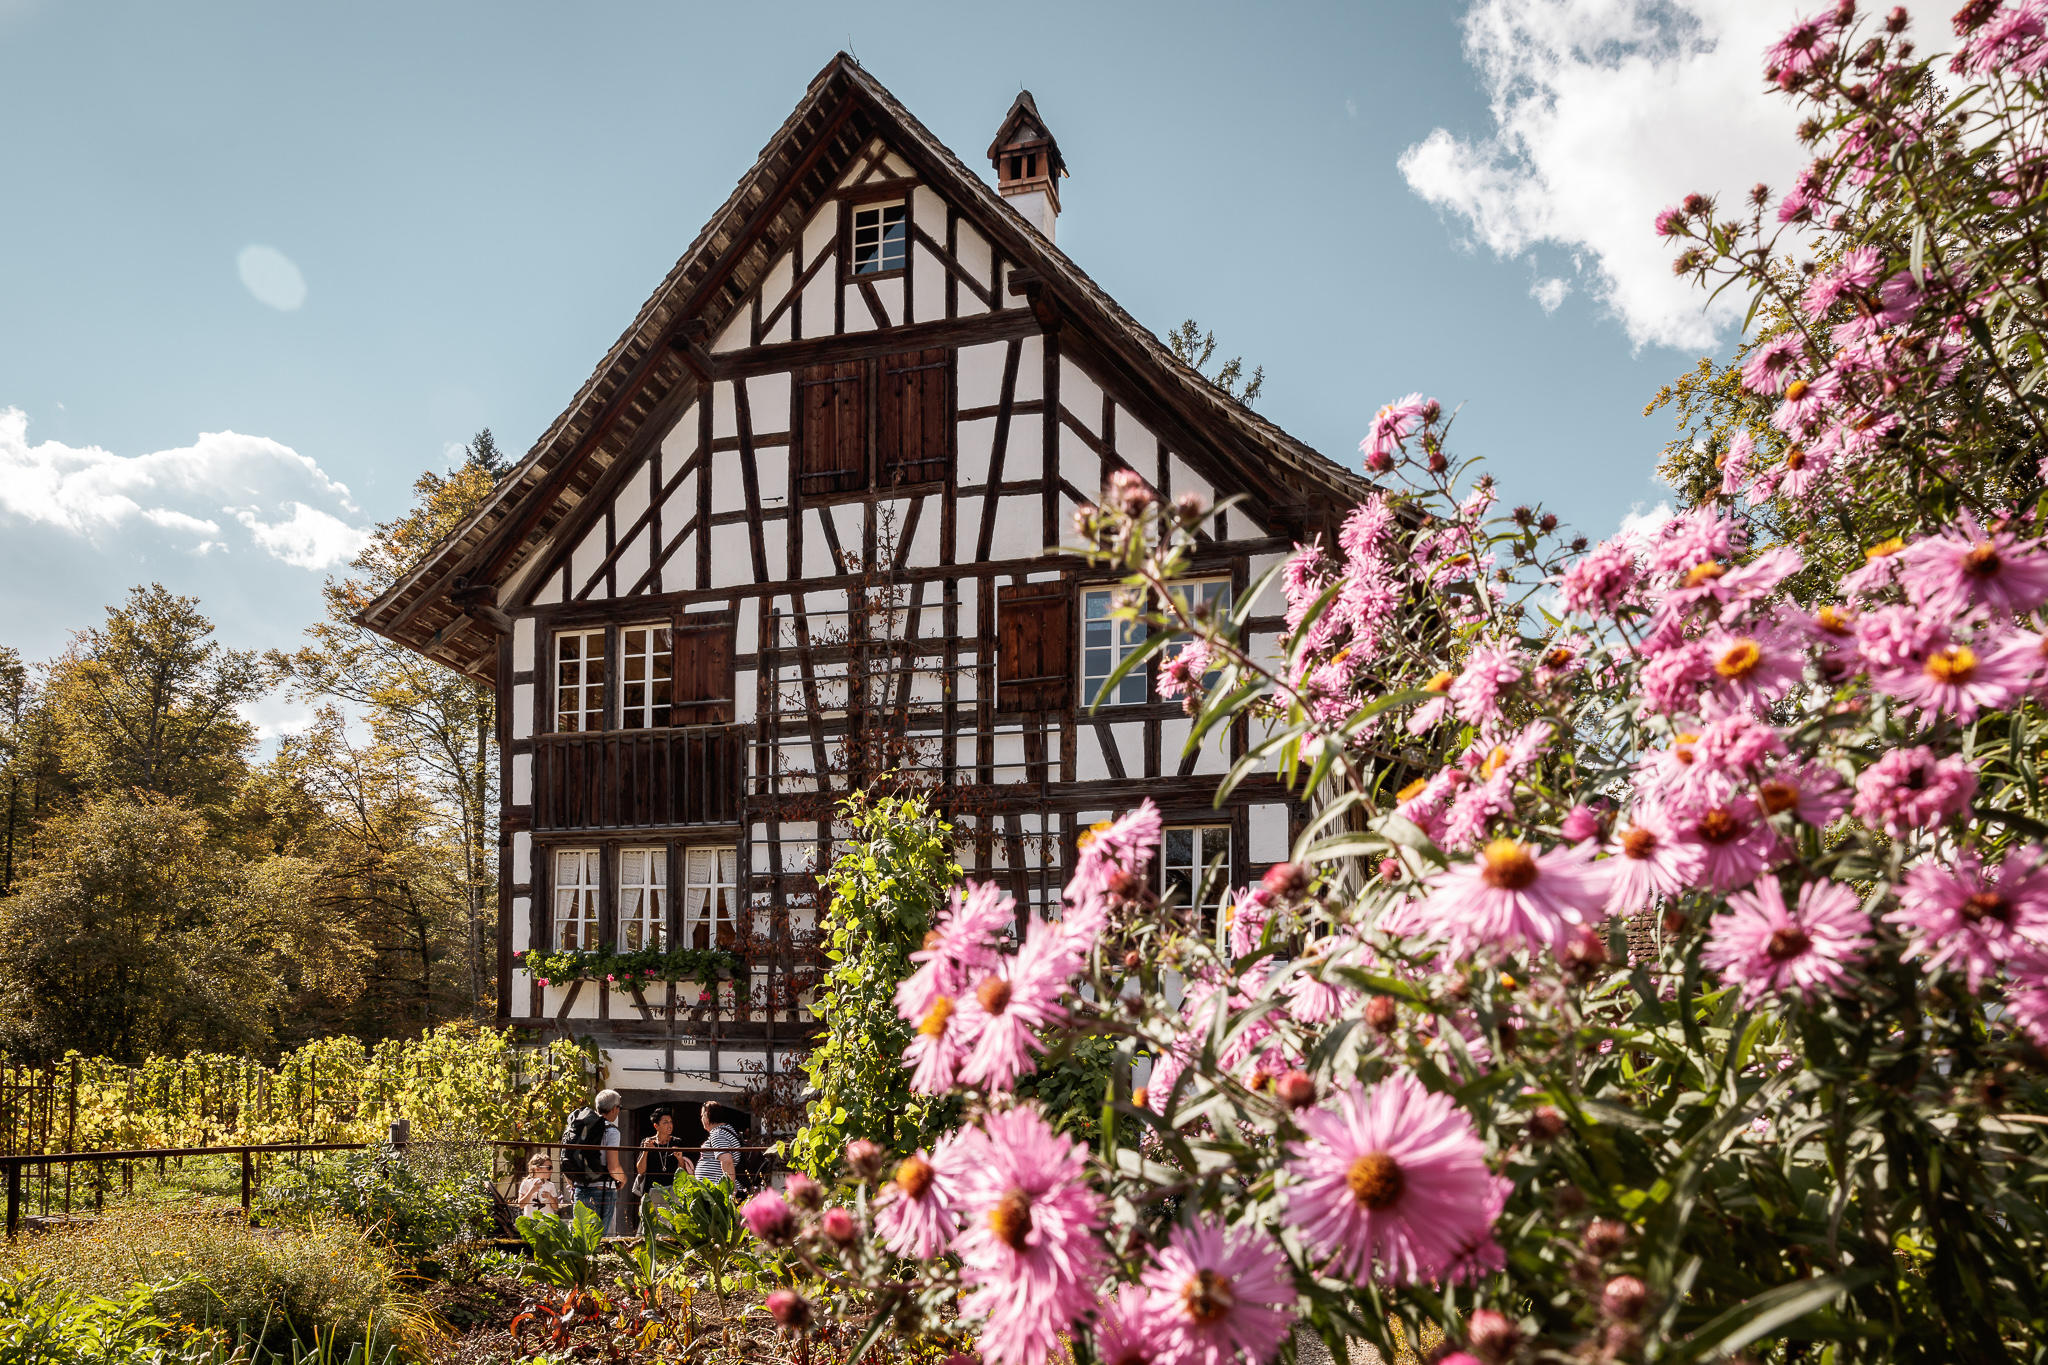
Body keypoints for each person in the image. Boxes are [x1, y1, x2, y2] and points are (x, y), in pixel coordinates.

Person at [560, 1088, 627, 1232]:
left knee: (582, 1238)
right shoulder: (612, 1131)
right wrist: (623, 1180)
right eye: (619, 1108)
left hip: (580, 1188)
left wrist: (574, 1184)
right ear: (615, 1109)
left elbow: (567, 1158)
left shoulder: (579, 1127)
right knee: (600, 1239)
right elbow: (613, 1167)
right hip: (602, 1191)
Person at [636, 1108, 685, 1232]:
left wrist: (680, 1159)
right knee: (650, 1226)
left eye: (671, 1122)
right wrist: (645, 1152)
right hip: (652, 1190)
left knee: (671, 1228)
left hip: (672, 1192)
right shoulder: (647, 1142)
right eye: (665, 1122)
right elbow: (640, 1170)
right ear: (656, 1126)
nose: (670, 1125)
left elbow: (682, 1172)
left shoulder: (677, 1142)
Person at [694, 1102, 740, 1186]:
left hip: (716, 1191)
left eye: (702, 1116)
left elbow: (727, 1161)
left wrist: (730, 1189)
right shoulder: (723, 1131)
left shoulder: (718, 1134)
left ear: (707, 1115)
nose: (701, 1119)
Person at [515, 1152, 565, 1218]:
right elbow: (521, 1205)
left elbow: (556, 1207)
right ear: (537, 1169)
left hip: (547, 1222)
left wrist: (550, 1197)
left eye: (552, 1168)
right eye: (549, 1168)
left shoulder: (550, 1185)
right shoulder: (526, 1183)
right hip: (531, 1222)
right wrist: (531, 1191)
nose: (551, 1171)